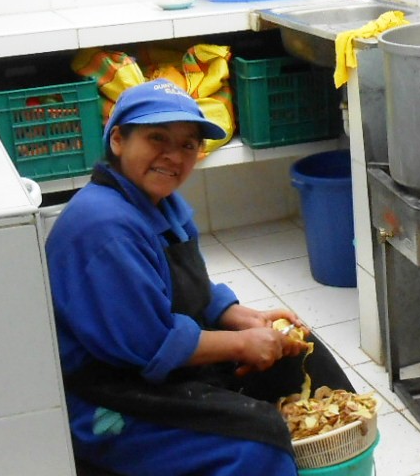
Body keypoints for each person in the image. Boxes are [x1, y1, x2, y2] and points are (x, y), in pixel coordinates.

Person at [46, 79, 354, 476]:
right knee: (256, 443)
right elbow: (150, 345)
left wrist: (234, 314)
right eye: (157, 138)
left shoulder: (159, 204)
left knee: (302, 355)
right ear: (119, 139)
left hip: (158, 365)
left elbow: (182, 285)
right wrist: (241, 344)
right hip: (110, 397)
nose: (174, 156)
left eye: (188, 144)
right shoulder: (104, 227)